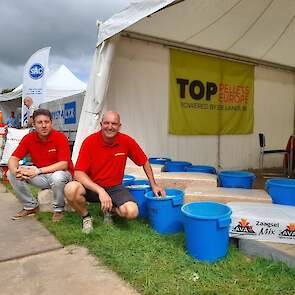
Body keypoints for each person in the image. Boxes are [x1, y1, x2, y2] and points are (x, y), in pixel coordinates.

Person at [64, 111, 165, 234]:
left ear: (119, 126)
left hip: (114, 187)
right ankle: (86, 217)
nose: (110, 127)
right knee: (70, 189)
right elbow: (78, 173)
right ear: (101, 124)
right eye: (106, 123)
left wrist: (153, 184)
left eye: (114, 123)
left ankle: (109, 210)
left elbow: (144, 161)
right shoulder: (89, 142)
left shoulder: (126, 141)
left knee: (132, 212)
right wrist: (100, 191)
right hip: (91, 187)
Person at [7, 109, 73, 222]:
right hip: (42, 176)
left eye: (46, 122)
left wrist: (38, 171)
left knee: (57, 177)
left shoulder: (60, 137)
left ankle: (58, 210)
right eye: (40, 122)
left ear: (51, 123)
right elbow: (13, 159)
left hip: (62, 175)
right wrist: (15, 171)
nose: (43, 125)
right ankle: (30, 206)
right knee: (10, 173)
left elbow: (64, 164)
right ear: (34, 124)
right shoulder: (28, 138)